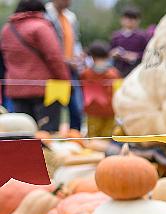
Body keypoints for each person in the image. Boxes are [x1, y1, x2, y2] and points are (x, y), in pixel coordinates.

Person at [1, 0, 70, 131]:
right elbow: (54, 57)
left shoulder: (6, 29)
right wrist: (65, 80)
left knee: (23, 135)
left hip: (16, 89)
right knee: (47, 135)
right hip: (44, 90)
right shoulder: (41, 27)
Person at [45, 0, 83, 131]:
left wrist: (78, 56)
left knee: (76, 108)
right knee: (55, 106)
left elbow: (75, 40)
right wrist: (65, 60)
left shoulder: (70, 17)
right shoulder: (46, 15)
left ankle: (75, 136)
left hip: (71, 68)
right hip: (55, 69)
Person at [80, 41, 120, 137]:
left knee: (93, 138)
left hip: (93, 110)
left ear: (92, 56)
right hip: (111, 111)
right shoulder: (114, 74)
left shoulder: (86, 74)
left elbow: (82, 90)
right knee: (108, 138)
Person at [110, 7, 149, 77]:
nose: (130, 20)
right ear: (122, 19)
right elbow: (109, 52)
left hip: (136, 71)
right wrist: (114, 53)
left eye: (133, 18)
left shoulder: (143, 36)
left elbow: (149, 53)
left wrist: (136, 56)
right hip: (118, 71)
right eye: (127, 18)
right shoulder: (116, 36)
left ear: (138, 21)